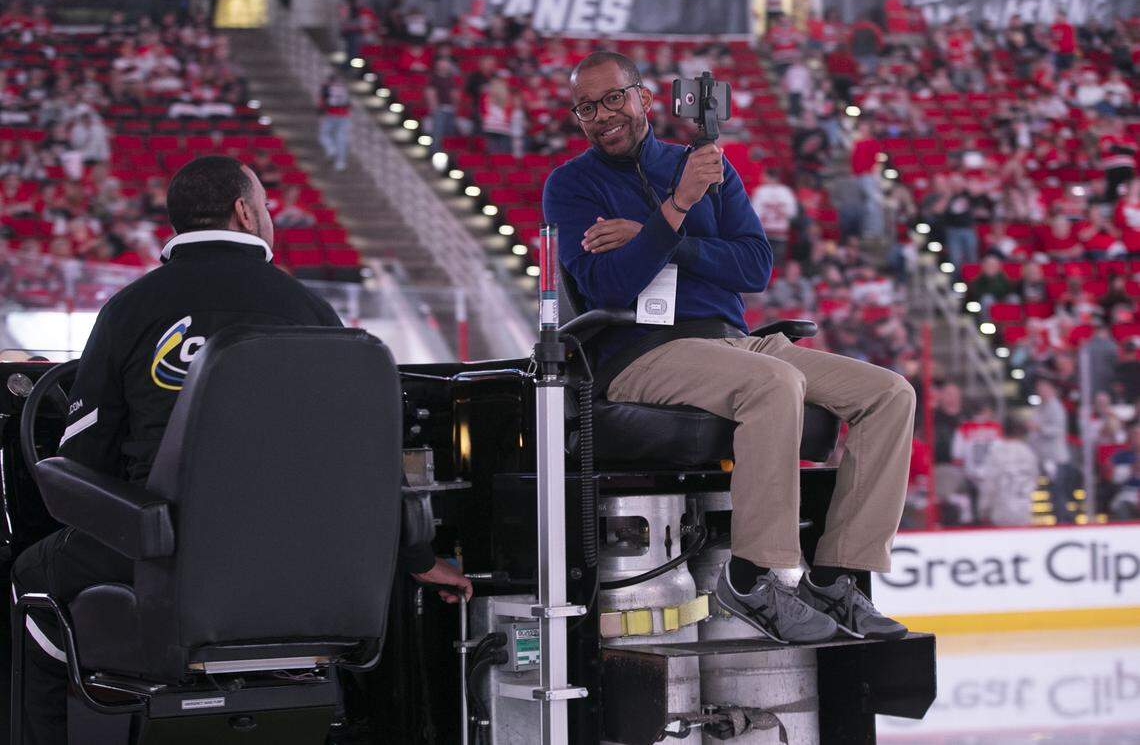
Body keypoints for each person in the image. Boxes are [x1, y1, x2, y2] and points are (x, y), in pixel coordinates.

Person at [11, 156, 471, 744]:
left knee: (29, 575)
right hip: (306, 567)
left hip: (171, 559)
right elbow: (365, 456)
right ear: (246, 211)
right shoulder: (313, 313)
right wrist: (417, 556)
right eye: (268, 206)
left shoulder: (129, 310)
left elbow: (80, 463)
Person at [543, 51, 914, 645]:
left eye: (613, 98)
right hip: (640, 351)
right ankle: (751, 580)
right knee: (773, 384)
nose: (601, 115)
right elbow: (609, 286)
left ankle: (838, 576)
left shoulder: (706, 164)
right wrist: (678, 208)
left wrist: (658, 237)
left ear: (644, 98)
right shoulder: (572, 184)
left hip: (732, 341)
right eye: (586, 107)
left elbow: (754, 266)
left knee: (888, 393)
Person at [977, 415, 1039, 526]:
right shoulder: (1029, 454)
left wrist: (983, 510)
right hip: (1024, 511)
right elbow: (1034, 481)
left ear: (1002, 431)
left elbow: (989, 484)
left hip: (1001, 513)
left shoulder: (996, 453)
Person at [318, 73, 351, 171]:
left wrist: (320, 115)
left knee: (323, 135)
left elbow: (322, 102)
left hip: (331, 114)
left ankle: (331, 149)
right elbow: (348, 104)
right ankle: (341, 162)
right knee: (341, 139)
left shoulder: (326, 87)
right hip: (343, 115)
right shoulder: (343, 88)